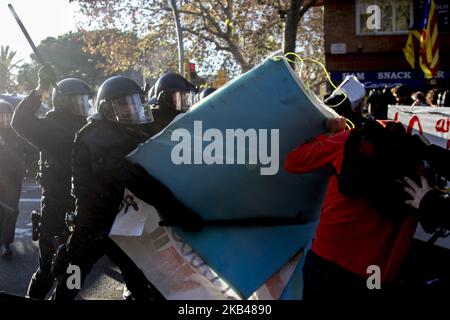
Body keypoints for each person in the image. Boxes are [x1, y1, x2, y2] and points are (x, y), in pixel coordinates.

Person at [51, 75, 202, 300]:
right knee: (73, 278)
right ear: (106, 109)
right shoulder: (97, 136)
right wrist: (178, 212)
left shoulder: (128, 132)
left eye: (134, 105)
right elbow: (137, 180)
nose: (131, 111)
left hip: (122, 224)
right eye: (124, 106)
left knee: (138, 282)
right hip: (93, 225)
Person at [284, 118, 430, 299]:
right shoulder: (417, 165)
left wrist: (330, 133)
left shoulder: (349, 140)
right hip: (374, 271)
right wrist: (388, 277)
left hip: (327, 256)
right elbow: (409, 223)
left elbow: (293, 161)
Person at [11, 65, 92, 299]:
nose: (83, 106)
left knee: (74, 272)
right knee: (48, 270)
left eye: (85, 101)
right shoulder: (49, 128)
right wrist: (40, 89)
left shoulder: (90, 127)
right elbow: (20, 121)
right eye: (77, 101)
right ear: (63, 102)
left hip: (84, 212)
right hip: (55, 211)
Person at [0, 100, 27, 257]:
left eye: (6, 116)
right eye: (0, 117)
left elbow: (23, 154)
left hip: (12, 178)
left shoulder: (16, 134)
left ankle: (6, 243)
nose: (3, 120)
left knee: (11, 210)